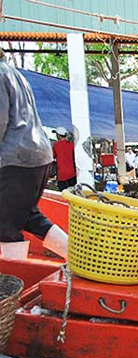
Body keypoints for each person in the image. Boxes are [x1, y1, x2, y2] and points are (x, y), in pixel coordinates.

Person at [0, 48, 68, 260]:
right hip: (39, 157)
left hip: (17, 157)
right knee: (28, 215)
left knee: (4, 225)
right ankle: (84, 258)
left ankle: (12, 284)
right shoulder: (15, 74)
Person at [51, 126, 77, 191]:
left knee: (64, 194)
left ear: (58, 135)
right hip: (72, 174)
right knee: (73, 193)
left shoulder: (56, 145)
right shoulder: (72, 145)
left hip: (61, 175)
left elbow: (51, 156)